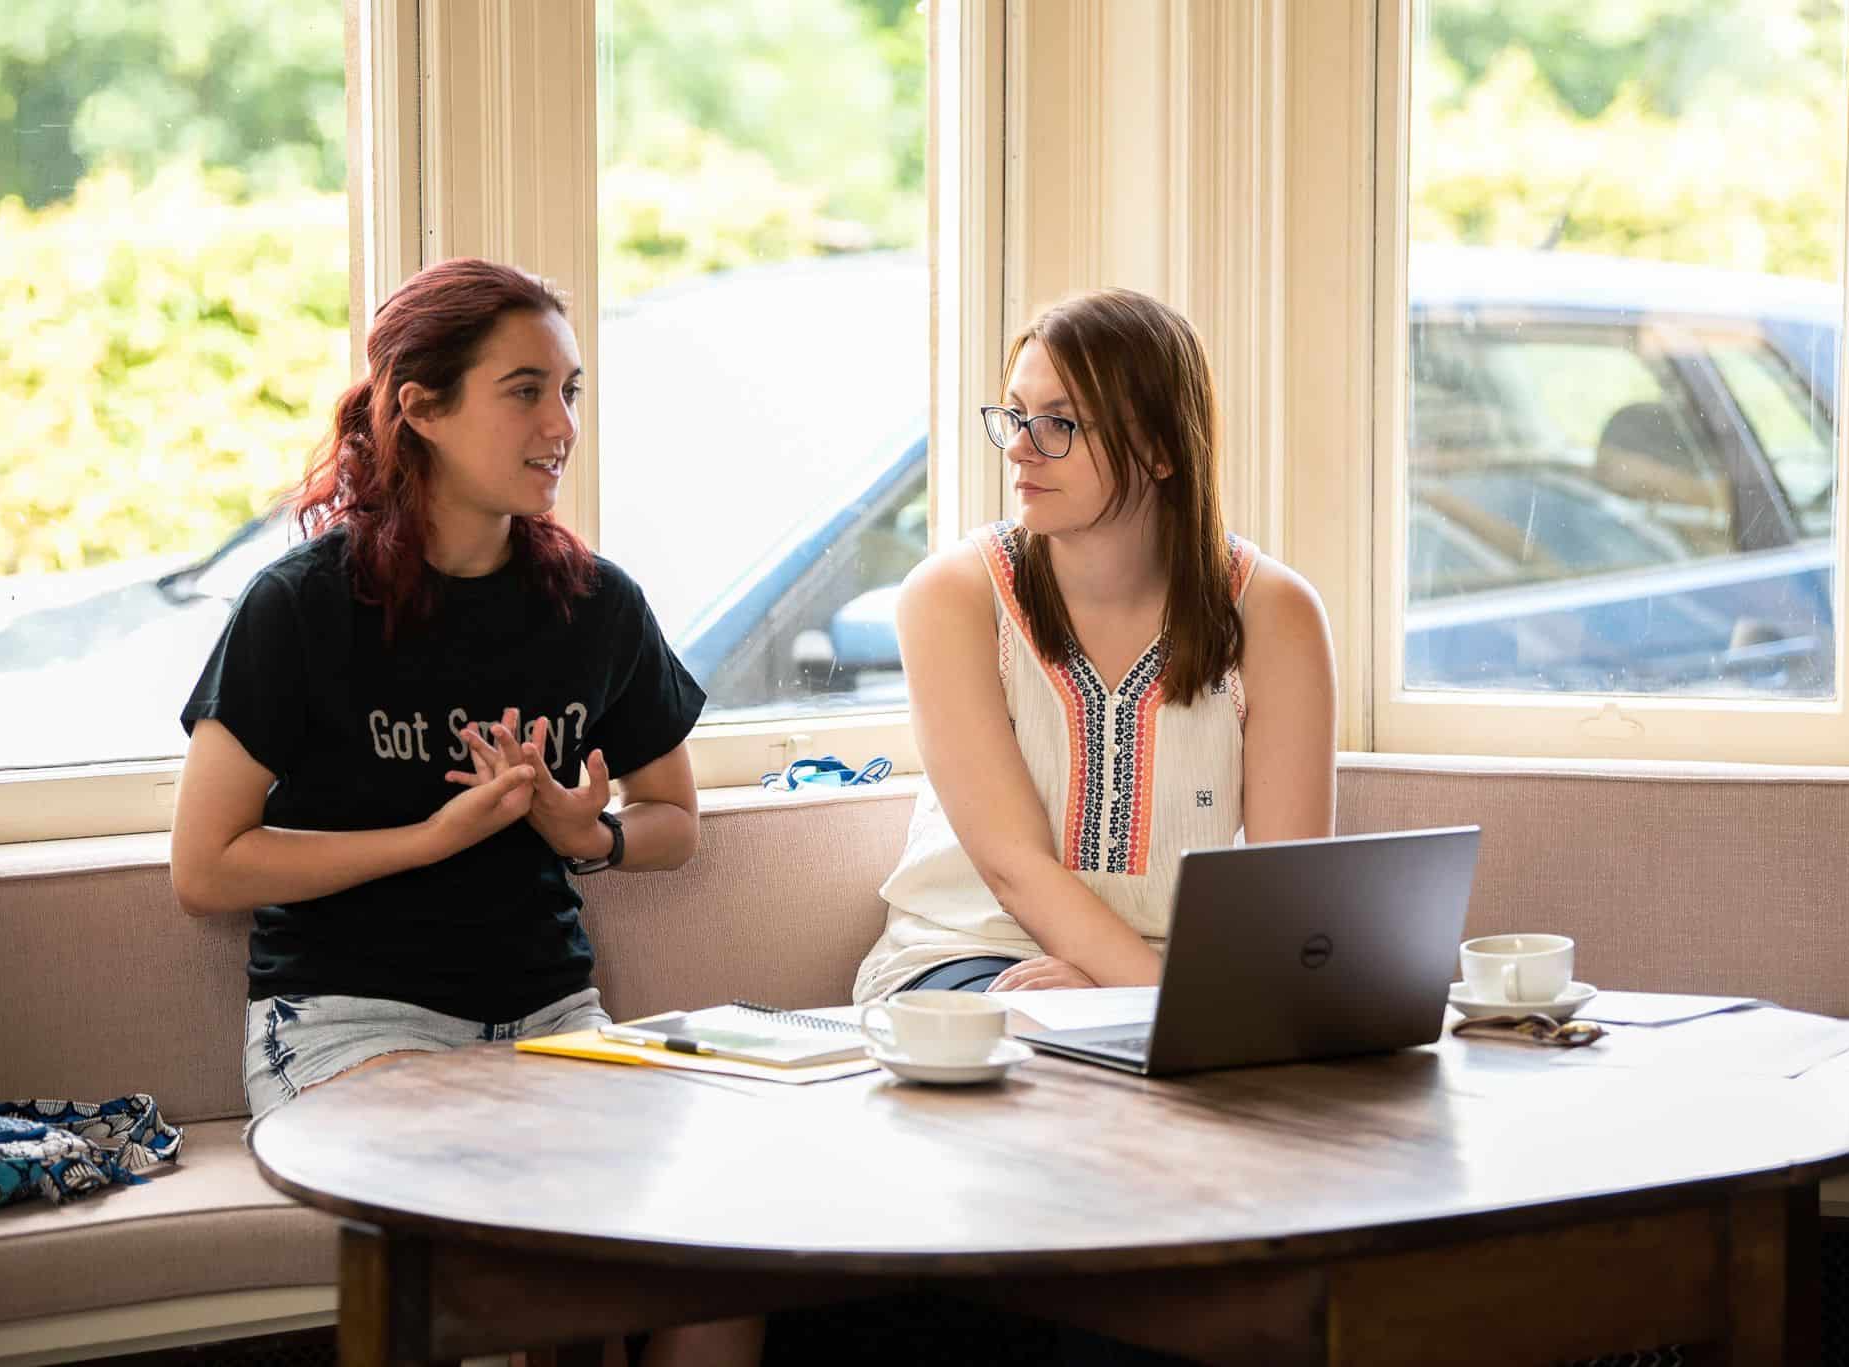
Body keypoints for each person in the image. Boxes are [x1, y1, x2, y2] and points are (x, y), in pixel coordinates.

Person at [169, 257, 759, 1367]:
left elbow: (675, 817)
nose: (560, 424)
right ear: (418, 408)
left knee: (729, 1240)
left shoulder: (596, 604)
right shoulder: (301, 606)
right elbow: (205, 865)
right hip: (352, 1023)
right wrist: (432, 838)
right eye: (524, 389)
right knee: (492, 1232)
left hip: (553, 1019)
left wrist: (591, 834)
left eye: (570, 391)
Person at [854, 287, 1337, 1003]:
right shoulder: (950, 597)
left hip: (1186, 978)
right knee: (1050, 1050)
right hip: (973, 956)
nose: (1019, 446)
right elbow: (1015, 868)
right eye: (1015, 415)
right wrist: (1174, 1000)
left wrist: (1156, 994)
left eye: (1060, 422)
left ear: (1163, 449)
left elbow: (1285, 892)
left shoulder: (1276, 612)